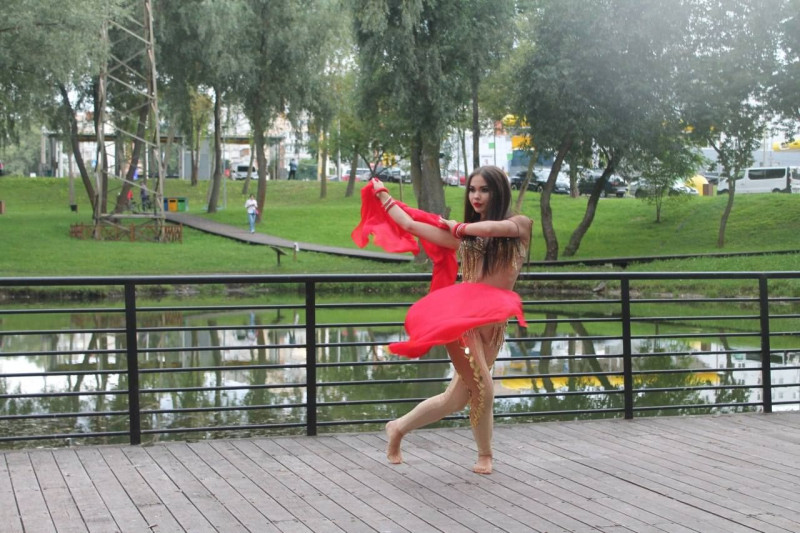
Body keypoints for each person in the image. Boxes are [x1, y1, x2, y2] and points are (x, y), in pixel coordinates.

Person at [369, 165, 532, 474]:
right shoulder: (464, 238)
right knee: (483, 387)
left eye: (484, 190)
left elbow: (493, 230)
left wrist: (459, 228)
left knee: (455, 399)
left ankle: (397, 428)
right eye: (472, 190)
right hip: (462, 323)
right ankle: (485, 455)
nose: (476, 196)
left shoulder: (519, 225)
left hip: (494, 327)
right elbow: (411, 225)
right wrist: (384, 196)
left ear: (499, 192)